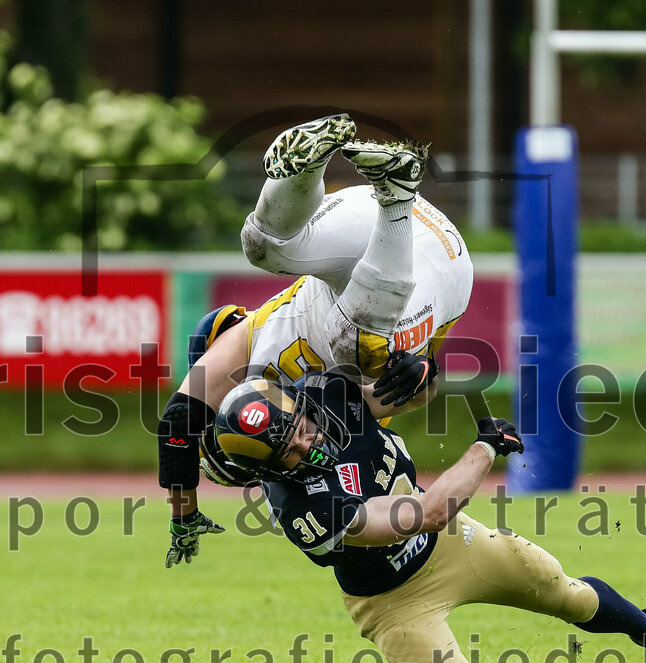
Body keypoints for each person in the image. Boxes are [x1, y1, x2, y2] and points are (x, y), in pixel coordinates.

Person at [193, 370, 646, 663]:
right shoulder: (302, 508)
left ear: (299, 402)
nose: (307, 441)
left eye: (300, 425)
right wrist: (484, 448)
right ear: (267, 469)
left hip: (454, 546)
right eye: (287, 449)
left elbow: (408, 393)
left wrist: (419, 372)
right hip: (392, 599)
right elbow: (427, 512)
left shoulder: (327, 394)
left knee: (566, 592)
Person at [157, 114, 473, 560]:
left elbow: (178, 424)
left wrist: (183, 515)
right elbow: (407, 393)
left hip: (389, 245)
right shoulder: (314, 417)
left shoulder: (254, 354)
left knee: (263, 244)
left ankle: (318, 168)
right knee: (356, 341)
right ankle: (395, 192)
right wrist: (423, 370)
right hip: (417, 262)